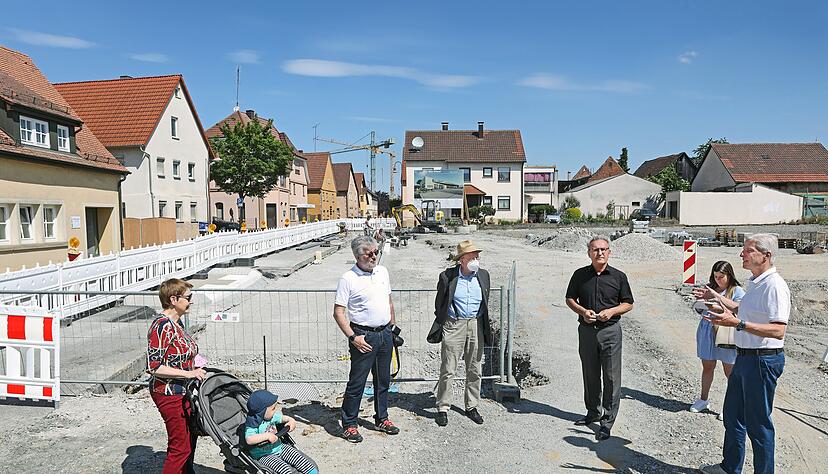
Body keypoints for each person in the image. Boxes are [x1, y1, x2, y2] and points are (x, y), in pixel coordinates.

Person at [697, 234, 790, 474]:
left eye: (748, 250)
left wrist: (736, 324)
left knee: (759, 426)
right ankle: (730, 467)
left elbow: (778, 330)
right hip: (745, 357)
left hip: (762, 360)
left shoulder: (775, 286)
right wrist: (716, 297)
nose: (742, 254)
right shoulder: (757, 282)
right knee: (733, 415)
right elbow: (742, 308)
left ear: (765, 255)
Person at [565, 236, 634, 441]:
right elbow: (570, 298)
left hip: (610, 331)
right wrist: (582, 311)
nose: (600, 253)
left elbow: (628, 303)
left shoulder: (619, 277)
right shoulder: (579, 275)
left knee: (612, 378)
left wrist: (611, 312)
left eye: (604, 249)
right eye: (595, 250)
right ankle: (593, 412)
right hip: (586, 331)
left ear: (609, 252)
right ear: (589, 253)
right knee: (590, 373)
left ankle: (607, 422)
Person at [333, 235, 400, 443]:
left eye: (375, 252)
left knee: (383, 381)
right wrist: (353, 337)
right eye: (368, 253)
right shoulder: (348, 279)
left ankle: (382, 418)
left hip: (385, 334)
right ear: (357, 255)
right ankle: (350, 424)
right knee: (357, 383)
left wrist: (393, 328)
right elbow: (338, 312)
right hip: (363, 336)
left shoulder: (382, 272)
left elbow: (388, 301)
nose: (373, 256)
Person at [146, 279, 206, 474]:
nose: (191, 301)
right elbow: (154, 366)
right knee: (180, 447)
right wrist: (189, 373)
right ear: (173, 299)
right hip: (168, 392)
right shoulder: (161, 326)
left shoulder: (176, 323)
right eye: (188, 297)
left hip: (184, 390)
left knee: (190, 438)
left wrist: (197, 363)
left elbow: (181, 353)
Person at [433, 240, 492, 427]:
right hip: (454, 324)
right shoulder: (447, 276)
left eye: (477, 256)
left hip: (475, 324)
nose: (476, 259)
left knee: (475, 368)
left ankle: (471, 406)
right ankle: (443, 407)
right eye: (472, 256)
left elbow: (485, 299)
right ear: (462, 260)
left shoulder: (483, 275)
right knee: (448, 368)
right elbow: (439, 302)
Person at [691, 261, 745, 418]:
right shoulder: (710, 288)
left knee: (730, 372)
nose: (718, 280)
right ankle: (703, 399)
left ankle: (731, 406)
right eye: (715, 277)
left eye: (721, 277)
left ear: (729, 275)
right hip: (707, 330)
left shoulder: (736, 291)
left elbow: (739, 310)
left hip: (725, 332)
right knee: (707, 366)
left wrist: (715, 302)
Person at [244, 390, 318, 474]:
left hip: (279, 447)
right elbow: (249, 439)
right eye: (273, 409)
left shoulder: (271, 417)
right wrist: (267, 436)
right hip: (264, 455)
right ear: (262, 411)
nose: (275, 410)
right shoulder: (252, 425)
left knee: (299, 458)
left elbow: (283, 418)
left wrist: (291, 420)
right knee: (285, 469)